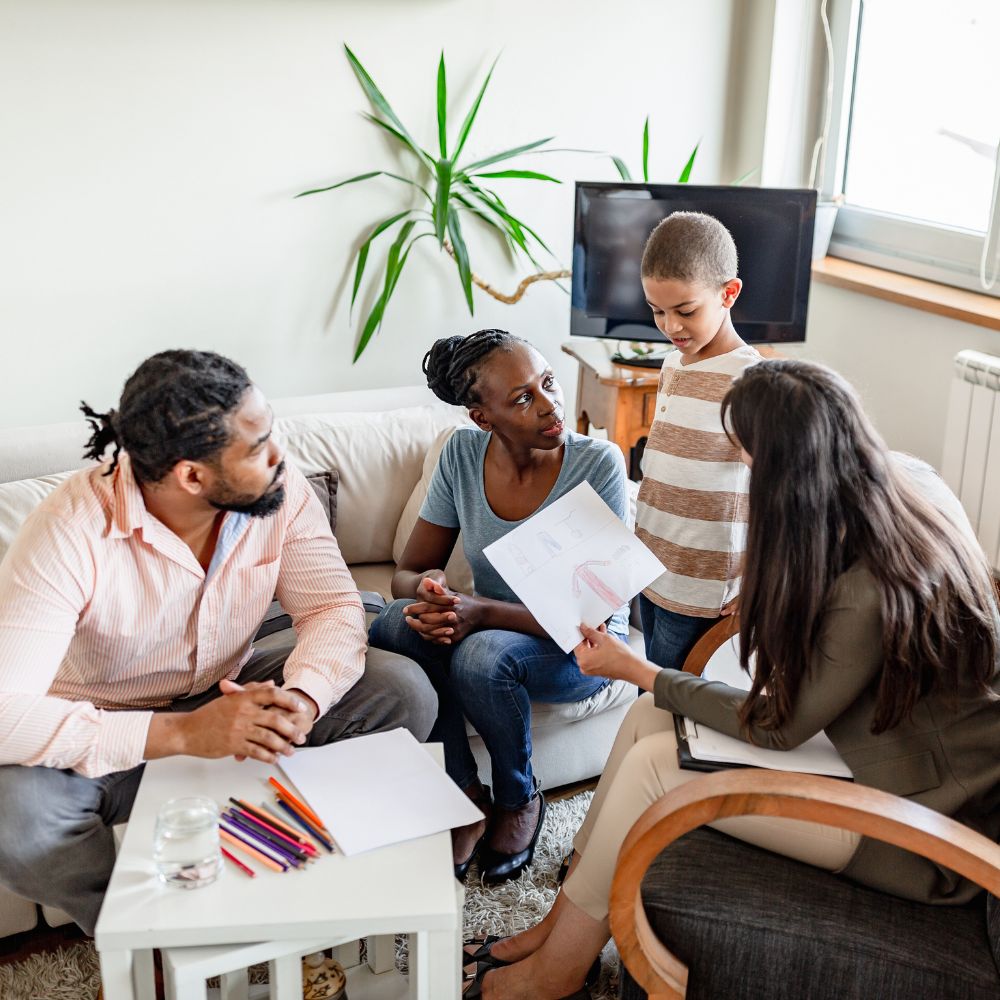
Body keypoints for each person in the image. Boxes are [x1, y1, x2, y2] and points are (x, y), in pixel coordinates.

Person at [463, 360, 1000, 999]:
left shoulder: (870, 588)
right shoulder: (890, 503)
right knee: (646, 718)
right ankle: (559, 927)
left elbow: (778, 724)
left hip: (920, 830)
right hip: (881, 766)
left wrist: (639, 668)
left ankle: (556, 972)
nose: (741, 471)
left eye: (747, 458)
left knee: (654, 768)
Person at [0, 349, 437, 936]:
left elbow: (333, 606)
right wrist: (181, 732)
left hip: (234, 684)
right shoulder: (69, 530)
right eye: (257, 447)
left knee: (402, 690)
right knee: (15, 819)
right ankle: (141, 935)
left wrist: (302, 700)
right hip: (109, 726)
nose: (281, 456)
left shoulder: (278, 491)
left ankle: (305, 887)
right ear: (192, 476)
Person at [367, 330, 630, 883]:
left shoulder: (597, 464)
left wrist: (478, 611)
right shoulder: (462, 455)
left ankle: (518, 797)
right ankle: (463, 795)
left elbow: (591, 615)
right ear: (482, 417)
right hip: (488, 621)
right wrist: (432, 594)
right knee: (393, 624)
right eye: (522, 399)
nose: (549, 404)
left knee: (482, 656)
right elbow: (406, 574)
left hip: (581, 645)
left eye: (548, 383)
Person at [632, 211, 760, 669]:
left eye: (685, 311)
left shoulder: (749, 381)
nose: (670, 326)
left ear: (729, 294)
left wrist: (760, 583)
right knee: (652, 682)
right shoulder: (672, 364)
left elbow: (778, 493)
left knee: (674, 701)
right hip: (651, 568)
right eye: (657, 310)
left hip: (702, 586)